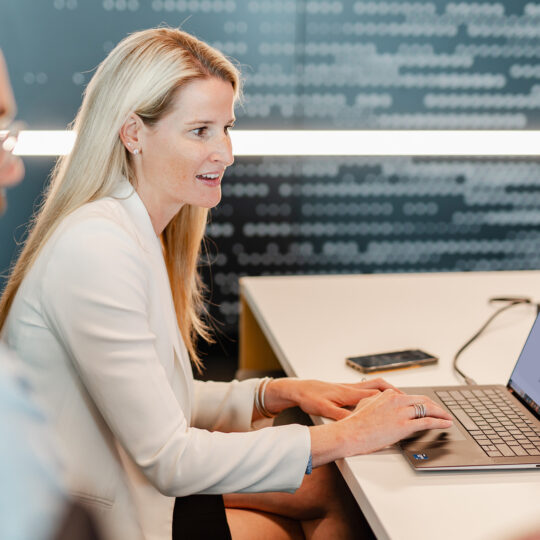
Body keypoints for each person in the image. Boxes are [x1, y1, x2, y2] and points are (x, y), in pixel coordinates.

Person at [0, 28, 453, 540]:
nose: (226, 153)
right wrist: (352, 434)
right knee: (313, 510)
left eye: (226, 128)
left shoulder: (129, 228)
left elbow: (151, 399)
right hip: (105, 512)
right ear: (133, 133)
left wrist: (273, 393)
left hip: (129, 480)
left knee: (329, 489)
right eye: (200, 131)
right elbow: (169, 457)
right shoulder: (97, 249)